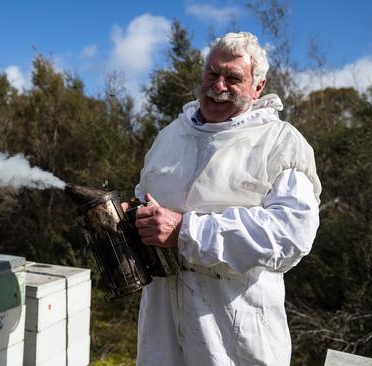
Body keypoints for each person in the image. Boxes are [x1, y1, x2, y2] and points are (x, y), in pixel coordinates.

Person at [129, 32, 321, 366]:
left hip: (234, 338)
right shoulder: (170, 136)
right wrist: (130, 217)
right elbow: (144, 198)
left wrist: (185, 232)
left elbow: (291, 234)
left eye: (233, 78)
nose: (218, 86)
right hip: (161, 334)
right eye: (212, 73)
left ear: (257, 87)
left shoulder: (279, 143)